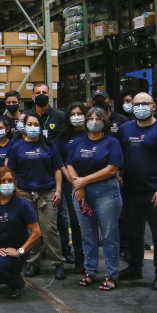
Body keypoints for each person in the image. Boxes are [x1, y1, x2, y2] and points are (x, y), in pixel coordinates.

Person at [118, 93, 157, 290]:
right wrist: (117, 173)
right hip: (130, 191)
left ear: (153, 107)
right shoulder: (124, 129)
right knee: (133, 233)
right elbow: (117, 154)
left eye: (145, 104)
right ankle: (135, 267)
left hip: (155, 192)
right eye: (137, 104)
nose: (140, 107)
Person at [66, 108, 123, 291]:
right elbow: (69, 164)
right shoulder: (77, 142)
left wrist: (84, 181)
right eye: (90, 118)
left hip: (106, 192)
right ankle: (90, 271)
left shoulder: (111, 142)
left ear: (105, 121)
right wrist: (79, 186)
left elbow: (112, 168)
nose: (93, 121)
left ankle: (111, 274)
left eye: (98, 118)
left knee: (109, 235)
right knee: (87, 235)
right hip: (81, 192)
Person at [6, 112, 66, 280]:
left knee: (49, 229)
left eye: (36, 124)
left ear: (41, 127)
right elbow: (11, 171)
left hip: (47, 192)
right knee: (32, 230)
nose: (33, 128)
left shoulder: (48, 145)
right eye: (29, 124)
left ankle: (58, 263)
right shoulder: (16, 146)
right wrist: (15, 191)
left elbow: (57, 169)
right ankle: (34, 262)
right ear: (24, 127)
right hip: (25, 193)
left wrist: (59, 190)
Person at [0, 168, 41, 298]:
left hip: (15, 250)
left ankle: (17, 283)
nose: (7, 183)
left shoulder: (22, 203)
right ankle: (6, 272)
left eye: (10, 180)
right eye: (3, 180)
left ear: (15, 182)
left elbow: (37, 232)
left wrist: (20, 251)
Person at [55, 103, 88, 274]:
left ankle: (92, 260)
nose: (76, 117)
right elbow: (60, 161)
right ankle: (80, 260)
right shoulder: (63, 136)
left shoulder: (92, 133)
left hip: (93, 182)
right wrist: (73, 181)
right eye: (73, 114)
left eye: (80, 113)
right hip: (71, 184)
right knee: (76, 222)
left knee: (93, 222)